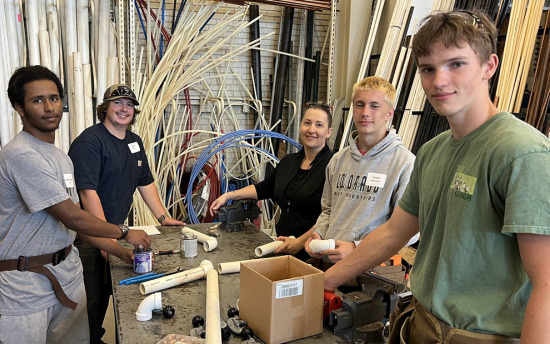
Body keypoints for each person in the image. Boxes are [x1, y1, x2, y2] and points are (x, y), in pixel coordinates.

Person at [324, 9, 550, 343]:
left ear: (489, 66)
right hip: (422, 326)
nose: (439, 81)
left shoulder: (521, 153)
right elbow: (392, 233)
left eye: (456, 64)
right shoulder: (431, 152)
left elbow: (546, 286)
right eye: (428, 69)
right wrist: (325, 281)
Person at [0, 65, 151, 344]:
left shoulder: (59, 156)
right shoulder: (22, 155)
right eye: (37, 100)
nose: (49, 107)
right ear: (19, 108)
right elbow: (72, 217)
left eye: (54, 98)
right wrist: (125, 233)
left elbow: (73, 224)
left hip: (66, 273)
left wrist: (118, 252)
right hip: (25, 285)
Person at [68, 84, 184, 343]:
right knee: (90, 298)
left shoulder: (133, 142)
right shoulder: (90, 142)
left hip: (116, 231)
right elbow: (88, 194)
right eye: (118, 103)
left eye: (129, 104)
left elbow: (145, 182)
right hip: (89, 235)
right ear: (105, 108)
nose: (124, 109)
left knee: (110, 293)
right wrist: (106, 240)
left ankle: (95, 338)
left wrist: (163, 218)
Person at [304, 76, 417, 264]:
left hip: (370, 269)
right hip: (329, 262)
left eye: (374, 106)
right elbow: (328, 210)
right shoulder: (338, 160)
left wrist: (357, 248)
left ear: (390, 113)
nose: (365, 112)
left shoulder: (405, 164)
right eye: (359, 104)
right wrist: (319, 233)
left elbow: (410, 231)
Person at [209, 103, 334, 261]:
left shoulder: (333, 166)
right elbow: (264, 189)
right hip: (282, 246)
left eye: (319, 125)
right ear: (301, 126)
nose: (311, 130)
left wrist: (299, 243)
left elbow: (330, 215)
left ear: (328, 132)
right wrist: (229, 195)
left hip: (313, 254)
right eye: (307, 123)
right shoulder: (289, 161)